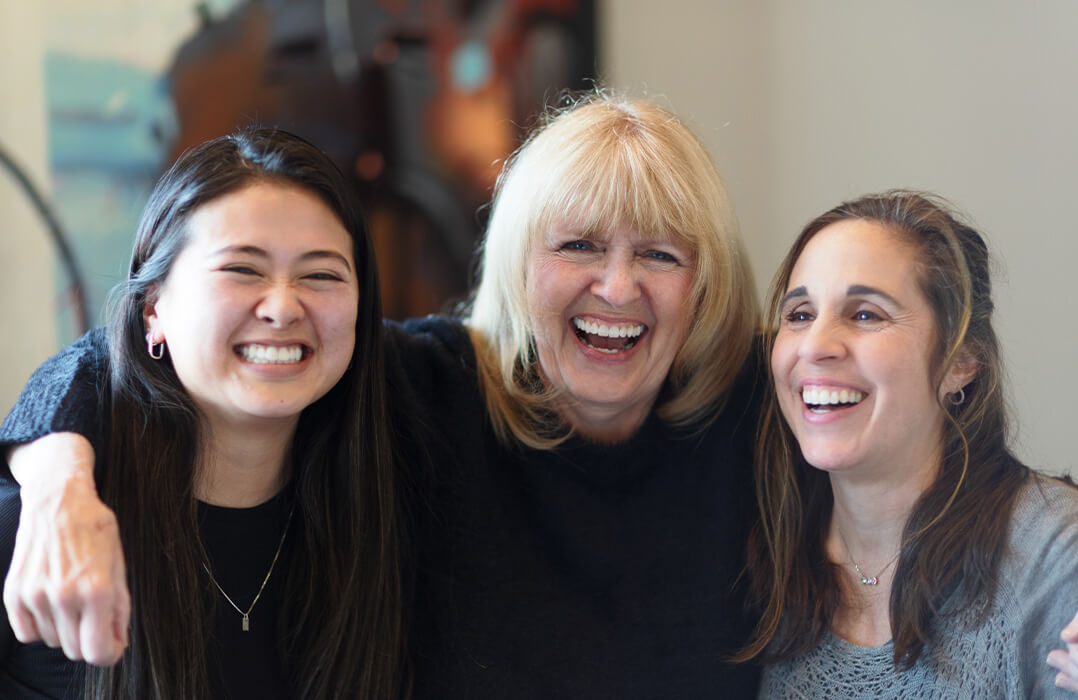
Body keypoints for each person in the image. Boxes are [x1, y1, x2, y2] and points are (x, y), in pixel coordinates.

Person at [3, 94, 763, 697]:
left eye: (660, 254)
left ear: (704, 284)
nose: (618, 288)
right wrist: (59, 485)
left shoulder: (760, 412)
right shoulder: (429, 388)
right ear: (517, 265)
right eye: (579, 245)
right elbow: (135, 352)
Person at [0, 128, 407, 698]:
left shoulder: (392, 490)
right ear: (153, 311)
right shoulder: (47, 530)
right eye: (242, 268)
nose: (284, 306)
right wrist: (58, 482)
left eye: (322, 275)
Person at [738, 190, 1078, 697]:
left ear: (960, 361)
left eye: (866, 314)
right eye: (801, 314)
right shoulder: (761, 548)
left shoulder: (1055, 560)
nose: (815, 346)